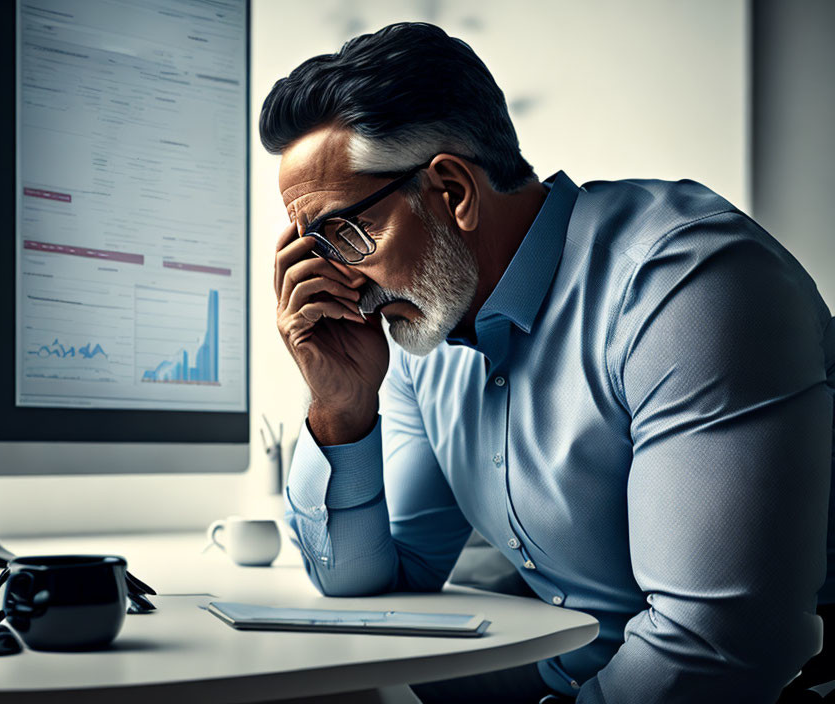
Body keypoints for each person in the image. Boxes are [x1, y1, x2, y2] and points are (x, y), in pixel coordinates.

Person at [261, 22, 835, 703]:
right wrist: (341, 408)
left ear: (452, 192)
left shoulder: (687, 286)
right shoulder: (426, 334)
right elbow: (380, 589)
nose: (336, 284)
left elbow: (717, 646)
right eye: (312, 250)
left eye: (344, 235)